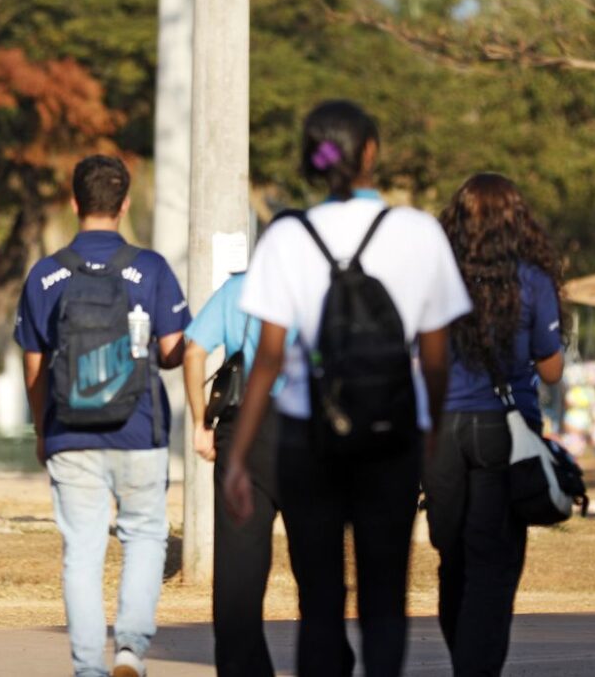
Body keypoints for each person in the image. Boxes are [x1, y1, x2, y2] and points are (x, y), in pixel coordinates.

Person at [223, 100, 471, 677]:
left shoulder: (287, 235)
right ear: (370, 153)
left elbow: (267, 358)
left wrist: (239, 455)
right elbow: (436, 357)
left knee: (321, 604)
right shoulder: (418, 232)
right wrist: (430, 428)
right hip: (392, 433)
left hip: (306, 437)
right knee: (385, 595)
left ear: (310, 159)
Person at [15, 155, 189, 677]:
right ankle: (131, 649)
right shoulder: (152, 268)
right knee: (144, 537)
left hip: (70, 432)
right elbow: (174, 349)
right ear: (125, 204)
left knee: (82, 553)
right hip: (140, 430)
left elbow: (34, 361)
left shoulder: (46, 275)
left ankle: (89, 668)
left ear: (73, 203)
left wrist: (42, 429)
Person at [427, 173, 565, 677]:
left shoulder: (436, 278)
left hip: (440, 429)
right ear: (516, 221)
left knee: (453, 555)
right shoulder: (531, 279)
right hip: (502, 432)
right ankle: (475, 668)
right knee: (494, 562)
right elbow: (550, 370)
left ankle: (466, 657)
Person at [183, 272, 283, 677]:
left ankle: (243, 668)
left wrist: (199, 423)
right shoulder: (319, 282)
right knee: (318, 565)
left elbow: (194, 353)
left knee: (238, 566)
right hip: (305, 429)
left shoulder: (238, 288)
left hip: (243, 428)